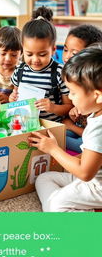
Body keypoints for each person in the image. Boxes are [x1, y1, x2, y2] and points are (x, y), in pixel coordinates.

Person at [29, 46, 102, 212]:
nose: (69, 97)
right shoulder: (96, 113)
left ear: (97, 95)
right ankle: (77, 207)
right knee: (44, 178)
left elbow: (85, 173)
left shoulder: (99, 127)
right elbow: (94, 156)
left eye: (73, 93)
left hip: (97, 187)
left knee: (56, 204)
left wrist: (53, 149)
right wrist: (75, 158)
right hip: (93, 179)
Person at [9, 6, 72, 122]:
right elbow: (14, 96)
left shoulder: (59, 72)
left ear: (53, 50)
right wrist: (12, 98)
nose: (35, 59)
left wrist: (52, 107)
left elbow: (69, 107)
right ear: (23, 49)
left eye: (42, 54)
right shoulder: (20, 70)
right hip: (24, 124)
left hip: (51, 126)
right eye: (29, 54)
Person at [62, 24, 102, 153]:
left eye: (74, 53)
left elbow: (91, 133)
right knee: (63, 134)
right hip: (81, 130)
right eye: (65, 49)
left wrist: (71, 126)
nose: (67, 57)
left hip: (86, 136)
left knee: (61, 138)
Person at [0, 26, 22, 104]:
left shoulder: (23, 72)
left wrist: (9, 99)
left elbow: (25, 99)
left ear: (21, 53)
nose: (8, 59)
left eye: (14, 55)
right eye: (3, 53)